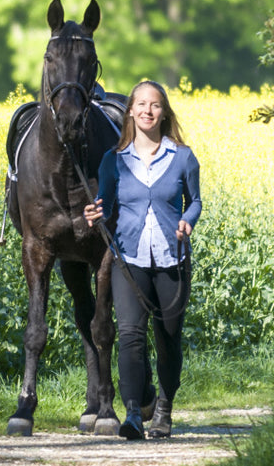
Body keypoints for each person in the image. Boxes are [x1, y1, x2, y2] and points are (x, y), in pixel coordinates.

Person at [84, 80, 201, 440]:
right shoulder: (112, 162)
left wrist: (188, 220)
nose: (148, 111)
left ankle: (163, 408)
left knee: (168, 338)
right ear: (131, 111)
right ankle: (133, 412)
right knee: (131, 335)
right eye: (142, 105)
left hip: (171, 258)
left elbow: (195, 201)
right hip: (128, 258)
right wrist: (95, 214)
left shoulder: (182, 156)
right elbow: (105, 205)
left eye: (155, 105)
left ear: (164, 112)